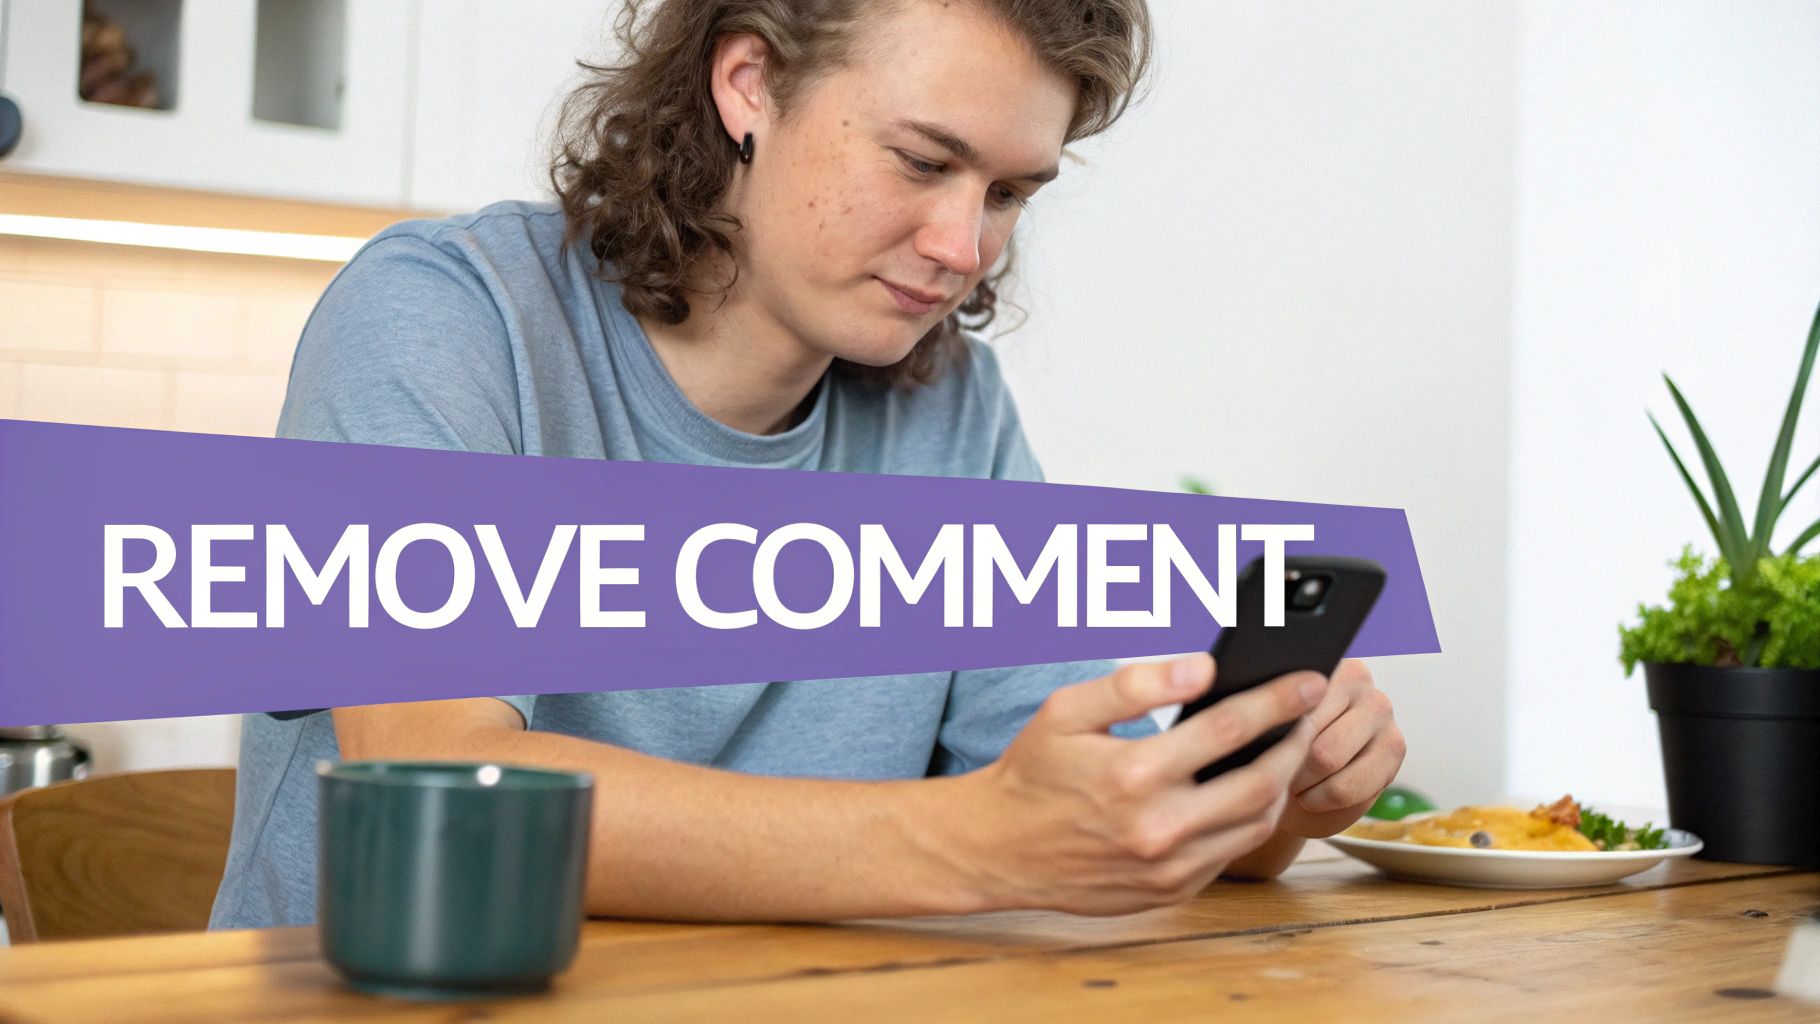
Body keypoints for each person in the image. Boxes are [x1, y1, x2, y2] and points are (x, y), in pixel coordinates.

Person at [209, 0, 1404, 929]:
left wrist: (1263, 797)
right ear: (750, 85)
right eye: (921, 161)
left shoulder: (952, 412)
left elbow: (1077, 812)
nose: (962, 248)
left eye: (1006, 193)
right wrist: (975, 838)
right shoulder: (441, 318)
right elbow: (439, 787)